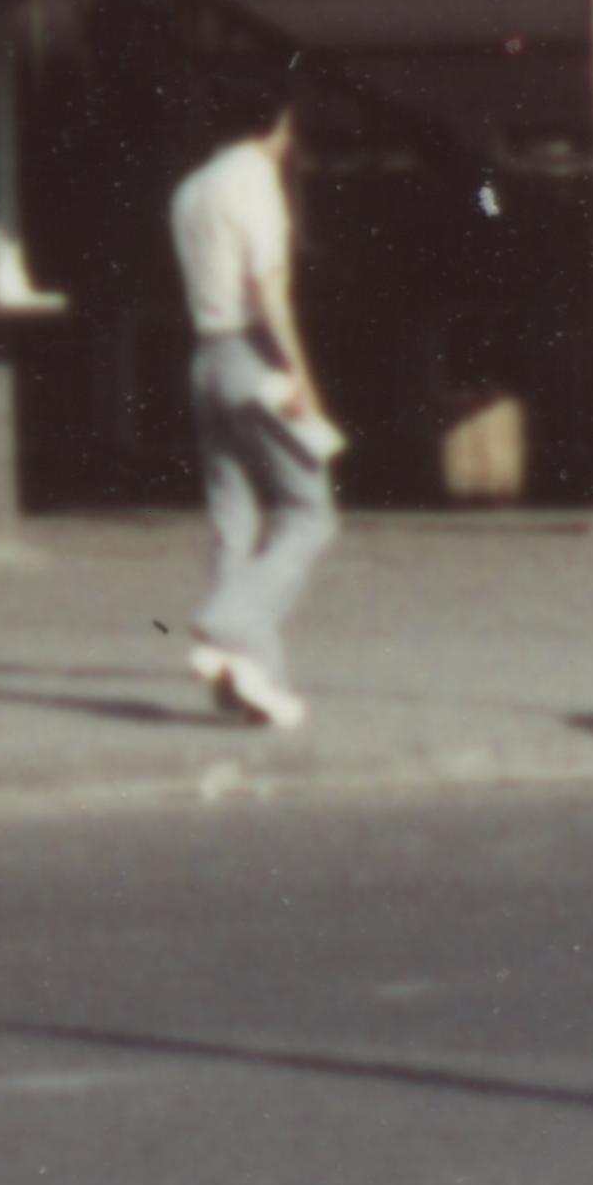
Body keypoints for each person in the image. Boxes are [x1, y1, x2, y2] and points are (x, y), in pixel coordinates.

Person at [170, 84, 343, 729]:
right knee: (309, 512)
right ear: (277, 124)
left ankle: (251, 673)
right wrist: (298, 373)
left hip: (206, 356)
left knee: (233, 513)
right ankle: (226, 626)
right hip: (254, 357)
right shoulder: (256, 183)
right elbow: (269, 288)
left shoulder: (191, 190)